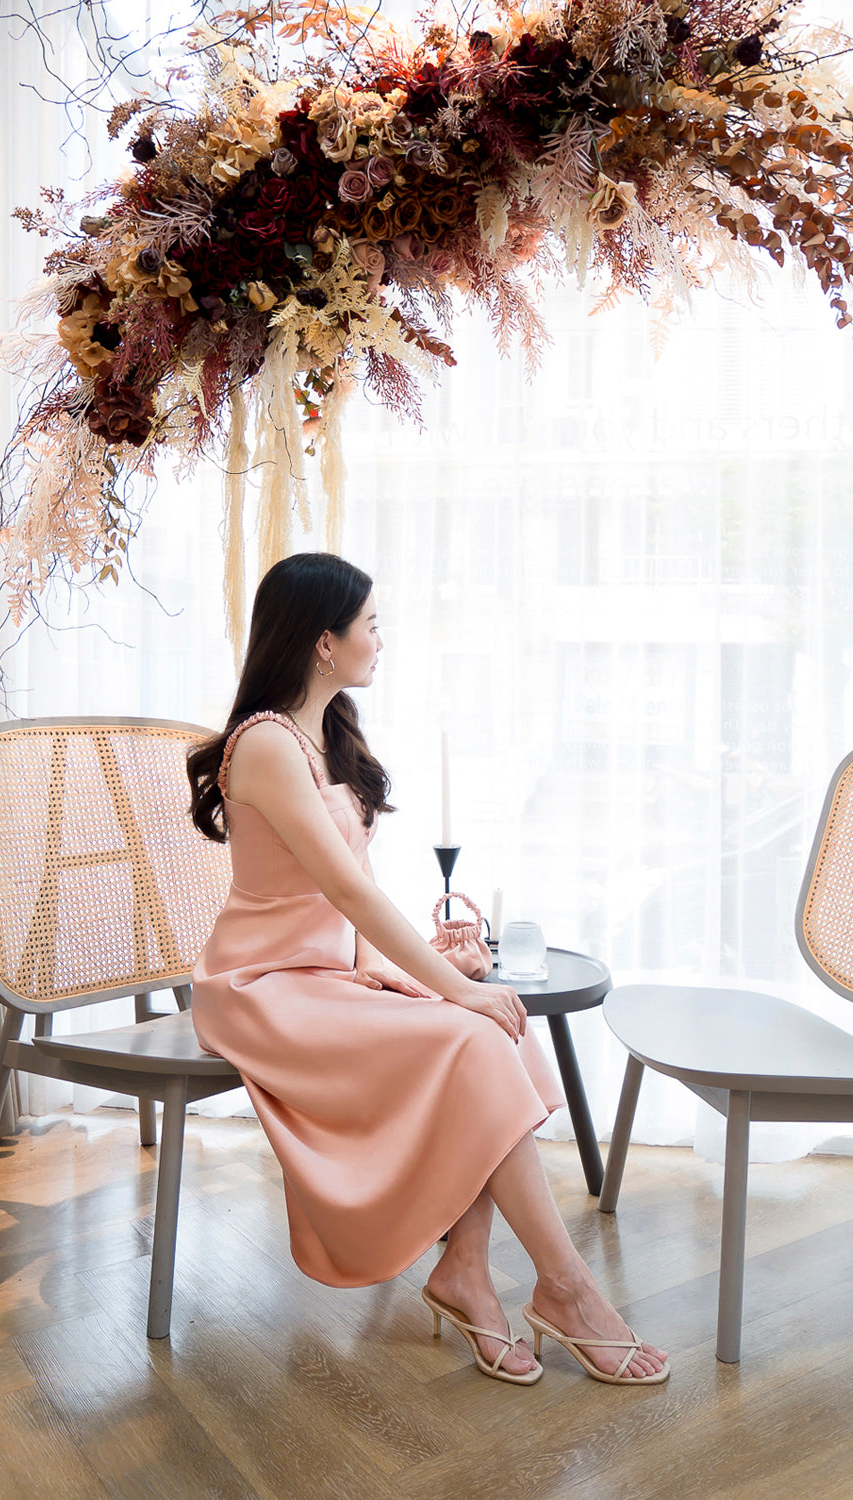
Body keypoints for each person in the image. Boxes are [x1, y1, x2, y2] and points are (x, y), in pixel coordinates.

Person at [188, 552, 668, 1386]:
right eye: (370, 623)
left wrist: (431, 972)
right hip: (262, 990)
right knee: (474, 1030)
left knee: (491, 1036)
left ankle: (467, 1272)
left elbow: (355, 896)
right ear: (323, 642)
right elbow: (342, 890)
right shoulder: (266, 744)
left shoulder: (323, 735)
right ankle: (566, 1290)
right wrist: (456, 989)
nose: (382, 638)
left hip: (321, 977)